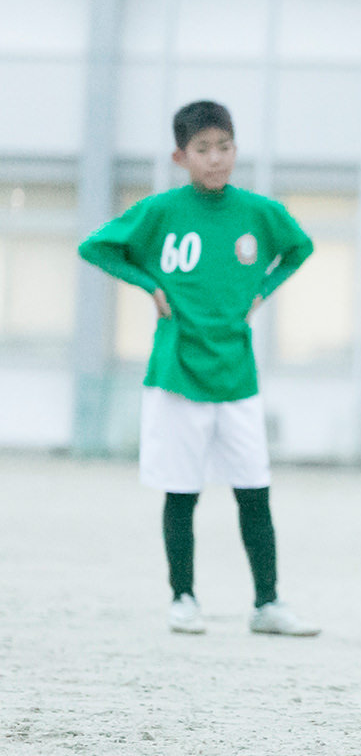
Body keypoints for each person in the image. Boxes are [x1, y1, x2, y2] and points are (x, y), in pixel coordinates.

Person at [78, 100, 319, 638]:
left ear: (236, 149)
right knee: (181, 491)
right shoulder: (162, 210)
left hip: (237, 374)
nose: (216, 159)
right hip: (176, 374)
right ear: (180, 156)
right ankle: (183, 598)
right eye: (203, 150)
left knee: (254, 490)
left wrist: (262, 289)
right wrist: (150, 285)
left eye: (225, 147)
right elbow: (96, 247)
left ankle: (267, 603)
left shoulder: (259, 213)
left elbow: (299, 249)